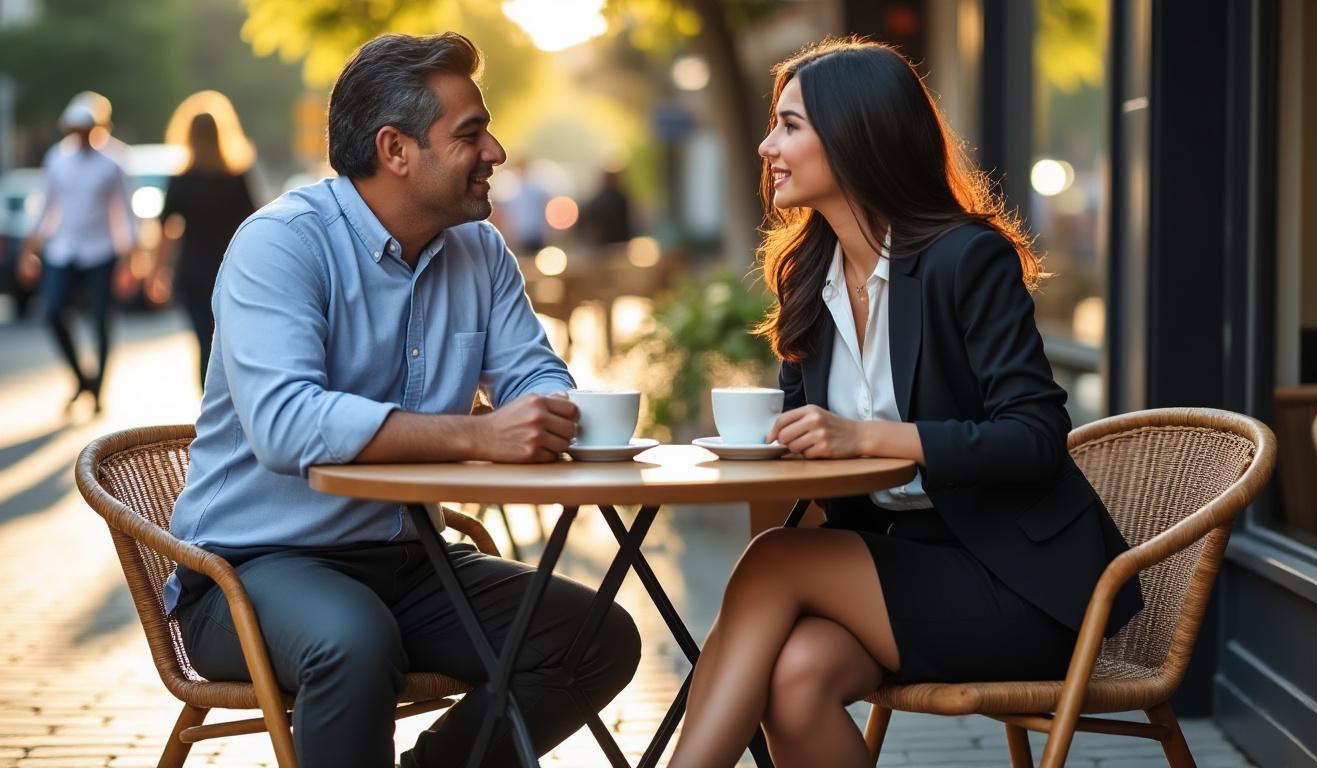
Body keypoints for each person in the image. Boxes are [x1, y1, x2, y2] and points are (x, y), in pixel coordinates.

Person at [166, 32, 641, 768]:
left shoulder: (479, 251)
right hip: (251, 571)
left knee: (597, 639)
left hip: (412, 561)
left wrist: (543, 410)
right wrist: (479, 436)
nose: (497, 153)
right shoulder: (282, 244)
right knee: (353, 641)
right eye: (471, 133)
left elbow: (537, 378)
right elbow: (286, 425)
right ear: (396, 150)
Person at [667, 38, 1143, 768]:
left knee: (772, 560)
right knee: (795, 682)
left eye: (790, 125)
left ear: (857, 135)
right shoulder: (809, 280)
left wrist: (871, 439)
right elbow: (811, 442)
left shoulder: (965, 259)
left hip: (1015, 582)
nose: (768, 145)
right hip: (899, 567)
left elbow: (1037, 435)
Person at [20, 101, 136, 412]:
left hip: (100, 250)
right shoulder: (57, 158)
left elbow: (124, 213)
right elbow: (46, 205)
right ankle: (81, 378)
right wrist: (30, 249)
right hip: (63, 248)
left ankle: (98, 391)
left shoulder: (112, 161)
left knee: (100, 320)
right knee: (52, 311)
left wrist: (129, 258)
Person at [155, 92, 259, 388]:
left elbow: (165, 230)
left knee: (204, 342)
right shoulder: (236, 177)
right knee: (232, 341)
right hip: (233, 271)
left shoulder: (182, 180)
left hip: (193, 272)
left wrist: (155, 272)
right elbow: (255, 224)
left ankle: (208, 404)